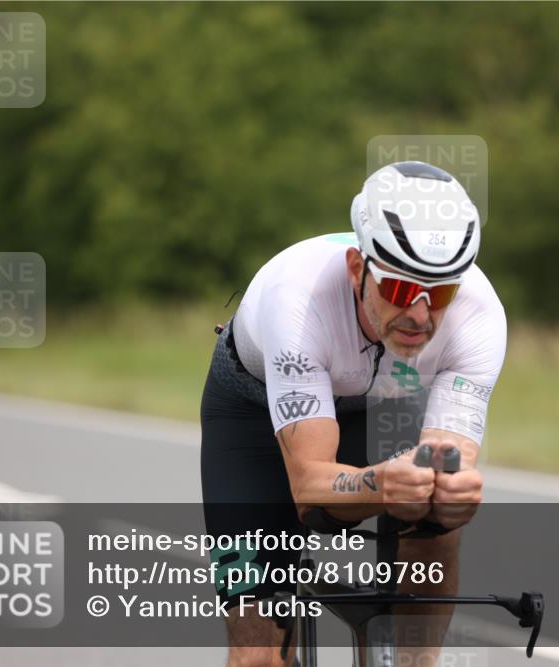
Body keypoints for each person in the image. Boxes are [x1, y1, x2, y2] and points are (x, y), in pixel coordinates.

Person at [200, 160, 507, 666]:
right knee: (258, 655)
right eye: (402, 290)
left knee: (435, 512)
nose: (419, 315)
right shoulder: (297, 301)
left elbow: (451, 462)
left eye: (441, 294)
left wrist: (451, 493)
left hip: (381, 399)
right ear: (356, 269)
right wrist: (383, 485)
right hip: (252, 406)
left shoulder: (479, 316)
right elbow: (309, 485)